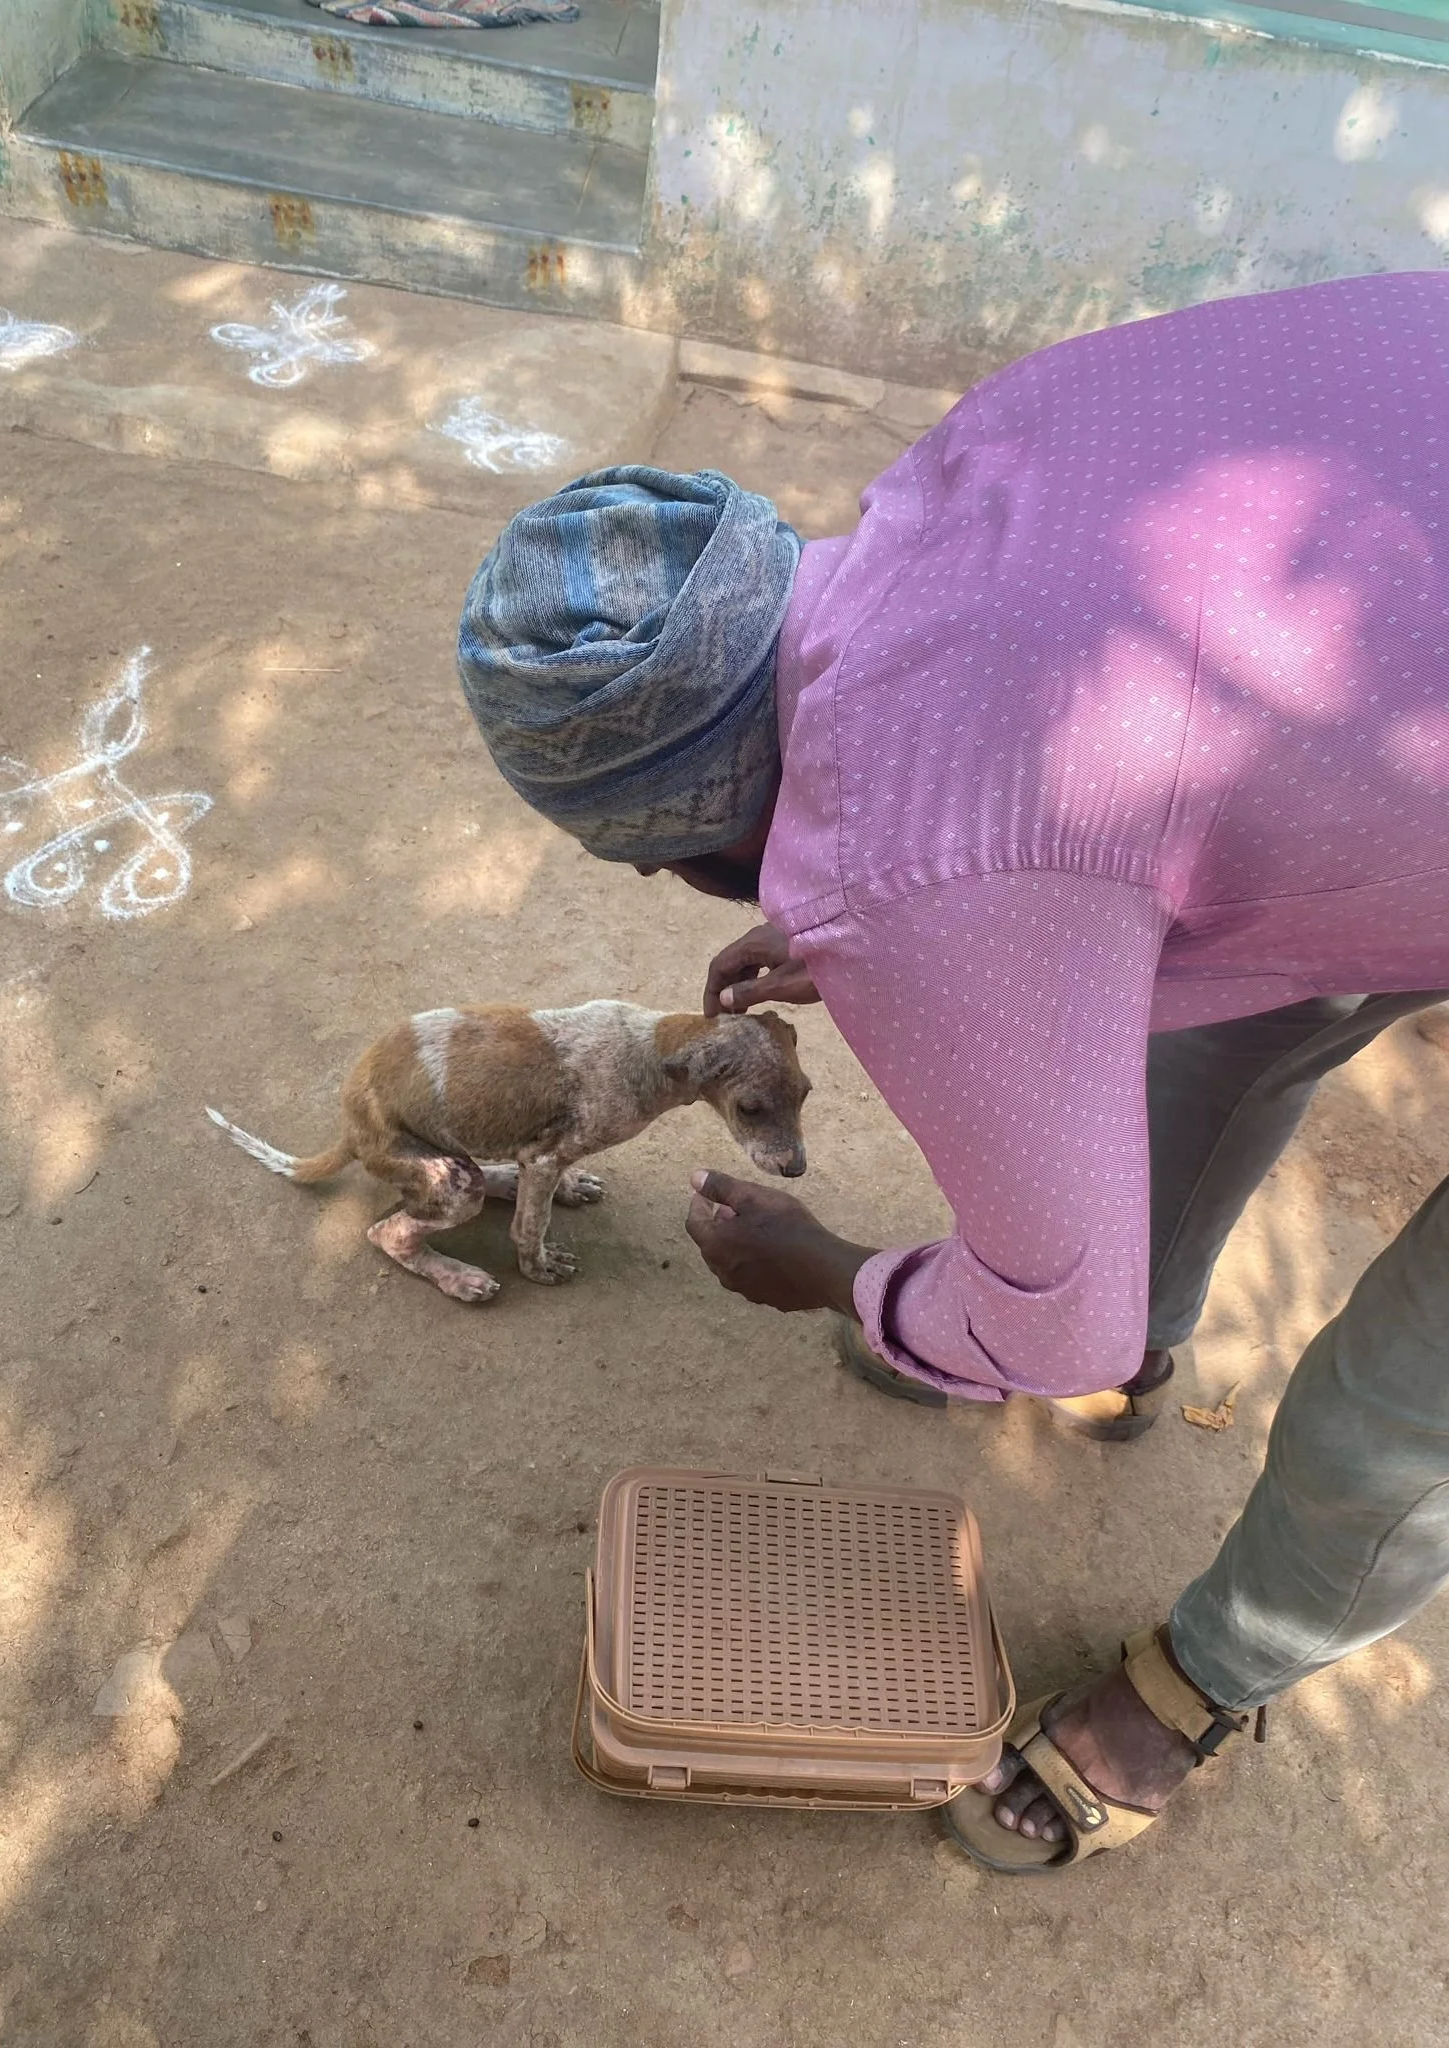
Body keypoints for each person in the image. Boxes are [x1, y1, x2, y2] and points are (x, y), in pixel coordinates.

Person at [455, 273, 1449, 1873]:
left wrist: (843, 1275)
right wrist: (879, 890)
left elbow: (1056, 1303)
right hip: (1393, 702)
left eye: (647, 859)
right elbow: (1086, 779)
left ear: (692, 831)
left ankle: (1208, 1679)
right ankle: (1151, 1362)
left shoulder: (922, 887)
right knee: (1243, 996)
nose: (660, 891)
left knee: (1402, 1401)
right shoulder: (972, 456)